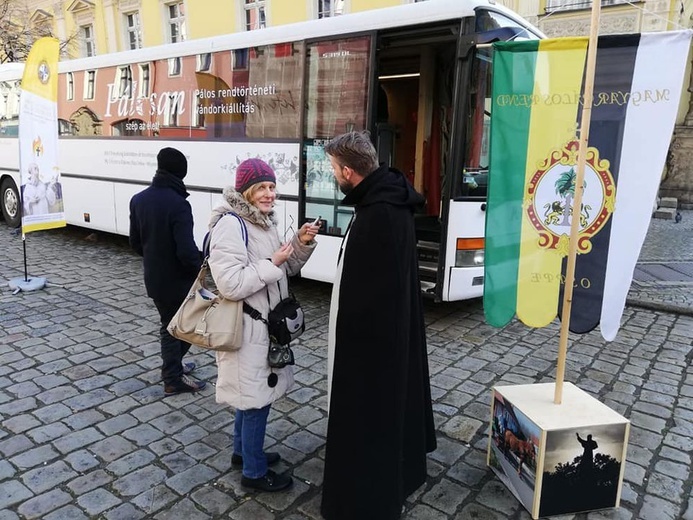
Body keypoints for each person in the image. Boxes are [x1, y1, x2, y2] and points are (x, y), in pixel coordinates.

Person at [321, 131, 437, 520]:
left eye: (334, 168)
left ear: (350, 172)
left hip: (373, 350)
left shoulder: (379, 213)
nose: (333, 174)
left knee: (370, 416)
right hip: (385, 339)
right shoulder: (384, 200)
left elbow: (371, 300)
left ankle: (368, 491)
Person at [207, 158, 319, 492]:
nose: (270, 194)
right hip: (247, 329)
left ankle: (243, 453)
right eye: (262, 188)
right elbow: (229, 283)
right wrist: (273, 262)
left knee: (250, 395)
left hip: (263, 327)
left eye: (272, 187)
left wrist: (299, 243)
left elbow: (284, 270)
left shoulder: (263, 222)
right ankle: (254, 473)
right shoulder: (230, 224)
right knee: (255, 400)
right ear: (246, 191)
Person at [129, 147, 206, 396]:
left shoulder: (139, 199)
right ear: (180, 172)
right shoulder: (179, 205)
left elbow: (135, 243)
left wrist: (155, 258)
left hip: (155, 278)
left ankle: (174, 366)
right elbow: (185, 251)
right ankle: (172, 378)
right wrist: (200, 267)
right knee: (178, 328)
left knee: (175, 325)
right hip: (178, 281)